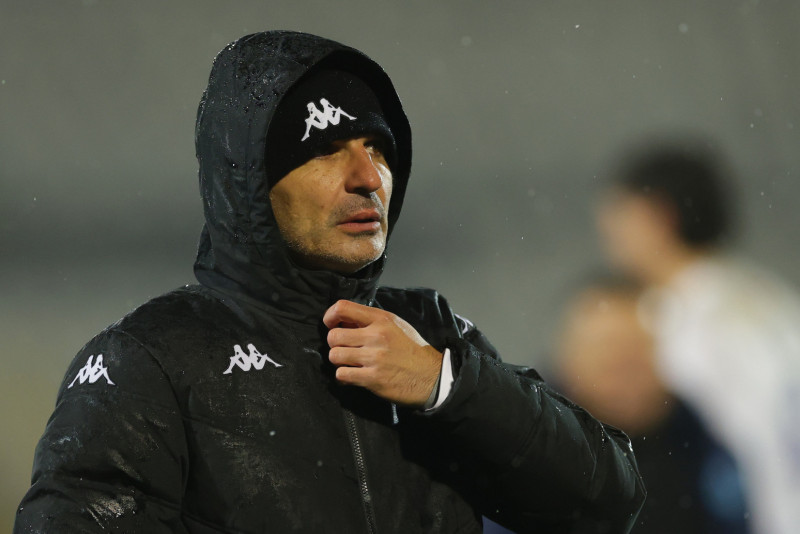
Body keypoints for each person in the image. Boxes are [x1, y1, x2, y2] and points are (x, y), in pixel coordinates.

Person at [15, 31, 645, 533]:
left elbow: (606, 504)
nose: (368, 177)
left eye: (378, 147)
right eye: (325, 150)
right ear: (250, 180)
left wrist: (445, 386)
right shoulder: (151, 356)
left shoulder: (429, 335)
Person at [597, 141, 800, 534]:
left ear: (660, 216)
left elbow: (743, 449)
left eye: (621, 214)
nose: (609, 231)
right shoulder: (773, 299)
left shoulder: (672, 320)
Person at [555, 276, 750, 534]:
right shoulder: (528, 442)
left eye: (638, 351)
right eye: (607, 349)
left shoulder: (699, 443)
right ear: (569, 355)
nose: (623, 369)